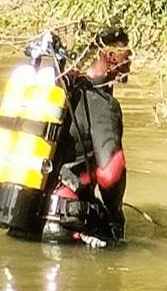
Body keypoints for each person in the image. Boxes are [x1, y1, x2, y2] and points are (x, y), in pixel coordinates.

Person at [41, 28, 132, 247]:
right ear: (110, 56)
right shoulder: (101, 103)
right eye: (127, 54)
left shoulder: (67, 90)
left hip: (35, 217)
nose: (130, 62)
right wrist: (115, 215)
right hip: (67, 225)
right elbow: (111, 172)